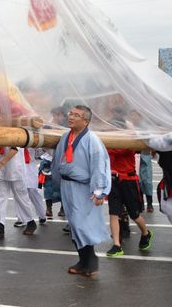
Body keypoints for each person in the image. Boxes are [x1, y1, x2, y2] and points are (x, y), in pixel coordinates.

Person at [51, 105, 111, 277]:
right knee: (74, 224)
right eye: (71, 114)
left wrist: (99, 191)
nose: (71, 117)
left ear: (86, 121)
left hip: (83, 188)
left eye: (76, 115)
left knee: (82, 224)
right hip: (67, 186)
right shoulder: (66, 137)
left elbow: (99, 166)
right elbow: (58, 159)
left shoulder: (92, 140)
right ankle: (83, 261)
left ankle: (91, 261)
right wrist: (57, 180)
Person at [105, 147, 152, 256]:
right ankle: (117, 245)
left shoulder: (128, 140)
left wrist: (107, 148)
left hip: (129, 181)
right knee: (113, 213)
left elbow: (122, 150)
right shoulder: (111, 140)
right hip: (114, 181)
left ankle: (146, 233)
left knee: (134, 215)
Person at [0, 146, 38, 237]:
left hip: (15, 168)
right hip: (2, 170)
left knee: (21, 198)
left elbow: (15, 149)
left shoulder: (17, 135)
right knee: (0, 198)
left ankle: (31, 222)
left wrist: (1, 163)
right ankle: (0, 226)